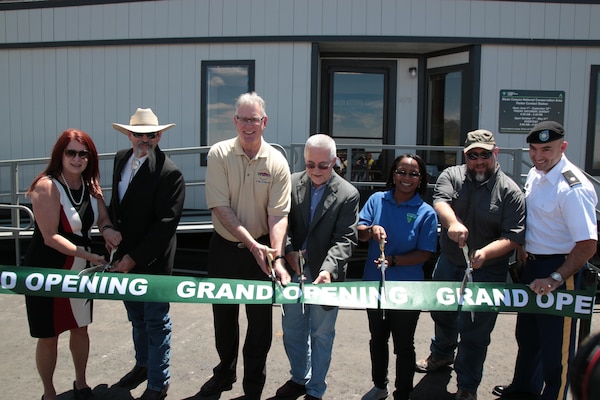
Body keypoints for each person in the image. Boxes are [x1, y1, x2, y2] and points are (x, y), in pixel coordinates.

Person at [415, 130, 526, 400]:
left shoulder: (511, 191)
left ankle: (467, 384)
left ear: (495, 153)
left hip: (488, 269)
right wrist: (452, 222)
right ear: (465, 155)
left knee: (476, 328)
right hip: (450, 262)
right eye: (473, 155)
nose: (479, 160)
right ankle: (441, 355)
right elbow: (440, 201)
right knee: (442, 313)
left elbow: (514, 236)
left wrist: (486, 253)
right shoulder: (451, 175)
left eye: (484, 155)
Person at [492, 121, 598, 400]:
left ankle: (556, 394)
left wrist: (555, 278)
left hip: (561, 270)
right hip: (533, 265)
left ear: (563, 147)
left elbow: (587, 244)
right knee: (528, 337)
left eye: (547, 149)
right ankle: (524, 389)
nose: (538, 156)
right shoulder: (537, 175)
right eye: (534, 149)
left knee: (556, 349)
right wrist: (524, 252)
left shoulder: (572, 187)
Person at [201, 92, 292, 400]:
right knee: (223, 319)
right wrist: (252, 245)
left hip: (263, 252)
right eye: (243, 118)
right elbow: (220, 207)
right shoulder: (219, 153)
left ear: (264, 122)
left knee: (259, 326)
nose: (248, 125)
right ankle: (224, 373)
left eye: (254, 119)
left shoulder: (277, 161)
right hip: (225, 249)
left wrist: (275, 256)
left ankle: (253, 388)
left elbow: (278, 214)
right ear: (235, 121)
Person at [24, 129, 121, 400]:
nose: (77, 159)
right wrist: (91, 256)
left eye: (83, 153)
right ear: (60, 154)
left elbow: (102, 218)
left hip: (80, 270)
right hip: (48, 269)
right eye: (71, 152)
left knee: (81, 327)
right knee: (49, 334)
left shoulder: (91, 186)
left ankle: (81, 384)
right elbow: (50, 237)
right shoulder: (47, 186)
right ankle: (49, 393)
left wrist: (109, 230)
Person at [272, 134, 360, 400]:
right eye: (311, 164)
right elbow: (280, 221)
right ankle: (300, 377)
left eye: (323, 165)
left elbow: (346, 238)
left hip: (326, 275)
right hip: (294, 271)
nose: (316, 171)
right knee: (292, 331)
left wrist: (328, 269)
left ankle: (316, 388)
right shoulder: (291, 182)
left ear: (334, 161)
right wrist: (286, 252)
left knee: (321, 333)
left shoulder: (348, 193)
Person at [108, 108, 186, 400]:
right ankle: (143, 364)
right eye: (138, 134)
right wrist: (108, 231)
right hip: (124, 257)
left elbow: (165, 226)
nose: (144, 139)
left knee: (156, 321)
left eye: (150, 134)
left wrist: (134, 258)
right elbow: (119, 204)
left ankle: (158, 383)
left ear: (159, 135)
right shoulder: (120, 159)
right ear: (128, 134)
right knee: (136, 317)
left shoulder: (170, 173)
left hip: (152, 262)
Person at [358, 154, 438, 400]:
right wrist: (371, 231)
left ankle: (403, 392)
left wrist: (394, 261)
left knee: (404, 344)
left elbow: (425, 254)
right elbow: (359, 233)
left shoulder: (426, 212)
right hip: (375, 285)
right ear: (393, 174)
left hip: (407, 289)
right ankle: (379, 386)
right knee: (378, 339)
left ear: (421, 179)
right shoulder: (376, 200)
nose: (406, 177)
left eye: (413, 174)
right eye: (402, 172)